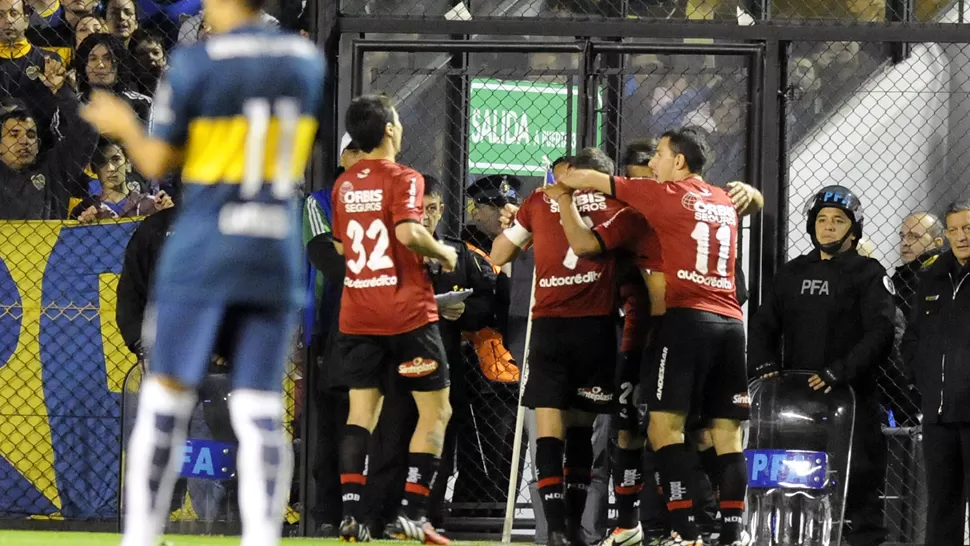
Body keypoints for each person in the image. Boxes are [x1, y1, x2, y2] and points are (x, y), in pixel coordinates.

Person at [79, 0, 326, 543]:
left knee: (164, 398)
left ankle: (141, 534)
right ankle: (261, 536)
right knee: (261, 407)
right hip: (271, 245)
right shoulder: (305, 61)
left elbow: (157, 160)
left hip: (207, 242)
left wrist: (123, 123)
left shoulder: (195, 64)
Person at [560, 128, 756, 546]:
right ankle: (732, 535)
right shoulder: (723, 200)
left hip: (686, 322)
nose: (654, 164)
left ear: (679, 162)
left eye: (661, 155)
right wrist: (753, 194)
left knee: (665, 430)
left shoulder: (663, 196)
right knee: (726, 435)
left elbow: (594, 180)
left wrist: (562, 182)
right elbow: (753, 201)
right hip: (730, 321)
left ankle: (686, 534)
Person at [490, 147, 653, 546]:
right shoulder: (622, 207)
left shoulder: (539, 201)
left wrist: (531, 230)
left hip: (549, 328)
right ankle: (578, 530)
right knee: (582, 432)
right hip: (596, 329)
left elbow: (498, 253)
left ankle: (557, 529)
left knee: (548, 431)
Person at [330, 94, 457, 546]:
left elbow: (345, 248)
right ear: (388, 130)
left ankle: (351, 514)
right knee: (436, 410)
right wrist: (444, 253)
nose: (401, 127)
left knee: (361, 412)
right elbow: (407, 231)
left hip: (358, 312)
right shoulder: (405, 178)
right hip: (406, 314)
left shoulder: (344, 185)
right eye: (398, 120)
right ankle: (413, 514)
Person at [748, 185, 895, 546]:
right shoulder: (792, 272)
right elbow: (764, 322)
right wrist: (763, 362)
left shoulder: (868, 273)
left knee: (858, 482)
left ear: (853, 228)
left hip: (852, 399)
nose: (828, 226)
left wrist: (839, 372)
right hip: (795, 405)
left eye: (838, 220)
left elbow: (881, 332)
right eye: (822, 220)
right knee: (792, 487)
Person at [361, 173, 496, 535]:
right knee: (389, 446)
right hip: (395, 366)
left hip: (444, 365)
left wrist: (463, 313)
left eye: (435, 209)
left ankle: (426, 520)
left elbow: (486, 303)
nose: (429, 217)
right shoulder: (388, 253)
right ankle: (378, 522)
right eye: (422, 209)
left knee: (440, 448)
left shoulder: (458, 253)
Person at [901, 200, 970, 546]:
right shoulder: (931, 276)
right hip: (938, 414)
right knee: (942, 505)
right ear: (945, 235)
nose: (961, 236)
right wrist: (923, 379)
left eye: (968, 228)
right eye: (954, 229)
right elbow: (912, 337)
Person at [893, 211, 945, 317]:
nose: (904, 243)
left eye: (914, 236)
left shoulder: (944, 274)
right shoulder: (903, 275)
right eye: (902, 237)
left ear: (937, 243)